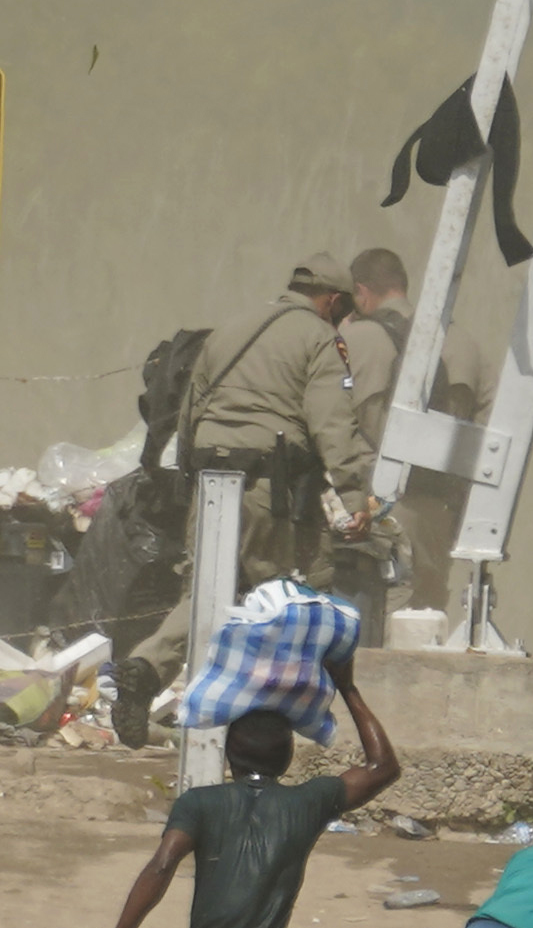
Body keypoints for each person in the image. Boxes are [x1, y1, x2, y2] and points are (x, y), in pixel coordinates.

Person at [119, 261, 380, 725]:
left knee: (205, 589)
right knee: (286, 592)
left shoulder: (229, 329)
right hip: (268, 487)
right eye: (343, 313)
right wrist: (355, 497)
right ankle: (271, 721)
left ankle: (144, 668)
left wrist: (187, 487)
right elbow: (333, 424)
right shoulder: (319, 339)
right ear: (334, 301)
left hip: (210, 479)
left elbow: (190, 412)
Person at [92, 664, 400, 928]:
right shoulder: (307, 803)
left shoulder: (199, 804)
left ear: (229, 754)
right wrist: (348, 688)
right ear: (286, 759)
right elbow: (383, 767)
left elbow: (161, 866)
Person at [341, 244, 490, 573]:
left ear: (361, 292)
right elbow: (484, 432)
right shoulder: (463, 341)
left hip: (372, 508)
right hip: (440, 509)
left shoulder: (353, 338)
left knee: (372, 613)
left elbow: (331, 423)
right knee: (427, 616)